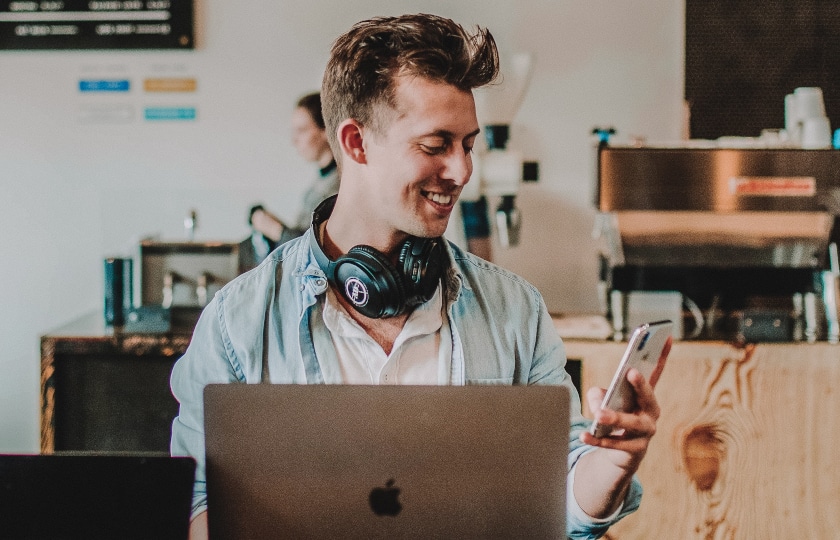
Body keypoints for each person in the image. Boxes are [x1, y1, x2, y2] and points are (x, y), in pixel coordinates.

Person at [171, 13, 670, 539]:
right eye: (435, 145)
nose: (461, 171)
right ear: (356, 143)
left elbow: (560, 502)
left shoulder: (515, 310)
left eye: (468, 144)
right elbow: (197, 503)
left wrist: (611, 465)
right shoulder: (236, 323)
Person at [239, 92, 339, 272]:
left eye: (301, 130)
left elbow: (316, 252)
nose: (294, 140)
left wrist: (274, 229)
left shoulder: (339, 185)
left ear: (325, 130)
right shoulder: (320, 183)